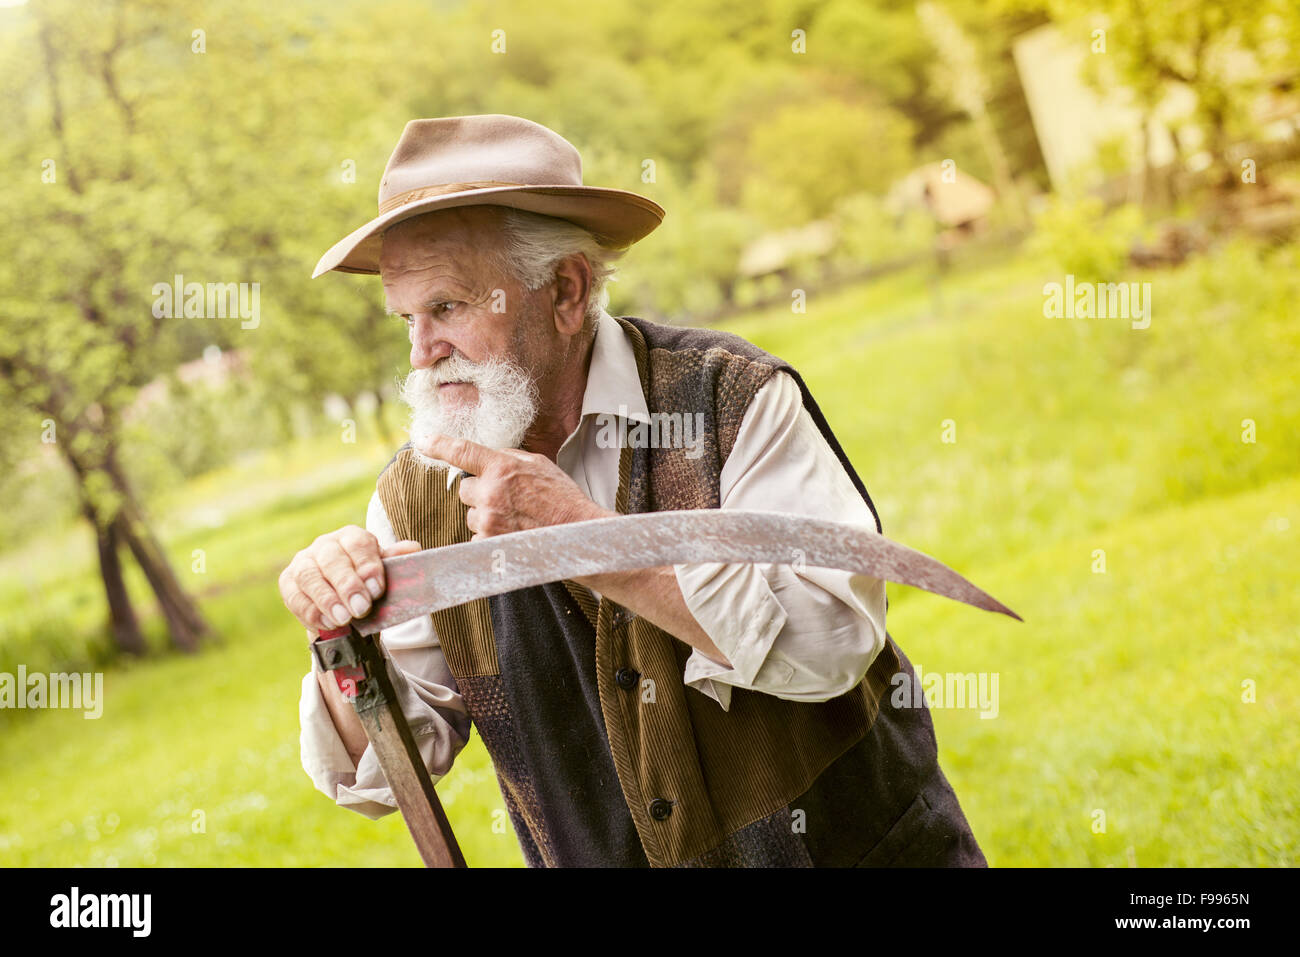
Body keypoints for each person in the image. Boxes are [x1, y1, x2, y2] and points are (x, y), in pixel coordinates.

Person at [283, 114, 987, 867]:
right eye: (407, 319)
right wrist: (338, 631)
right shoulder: (413, 498)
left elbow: (832, 642)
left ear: (565, 288)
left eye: (448, 307)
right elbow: (387, 771)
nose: (422, 354)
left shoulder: (733, 397)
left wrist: (589, 539)